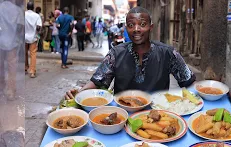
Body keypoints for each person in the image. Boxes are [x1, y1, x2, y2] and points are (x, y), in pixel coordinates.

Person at [65, 7, 196, 99]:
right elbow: (98, 81)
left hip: (157, 117)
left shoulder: (169, 53)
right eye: (131, 25)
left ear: (151, 27)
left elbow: (189, 83)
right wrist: (80, 92)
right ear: (126, 28)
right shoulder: (115, 53)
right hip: (121, 117)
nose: (136, 29)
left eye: (142, 24)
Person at [0, 0, 24, 100]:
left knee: (0, 66)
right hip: (12, 43)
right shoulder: (17, 10)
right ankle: (11, 92)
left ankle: (1, 87)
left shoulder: (0, 7)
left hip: (1, 41)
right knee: (11, 67)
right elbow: (20, 27)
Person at [25, 2, 42, 78]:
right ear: (33, 7)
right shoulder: (37, 16)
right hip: (33, 37)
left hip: (24, 37)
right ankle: (32, 72)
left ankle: (25, 68)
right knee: (33, 54)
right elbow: (38, 27)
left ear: (27, 7)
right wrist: (37, 34)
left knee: (24, 53)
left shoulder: (23, 14)